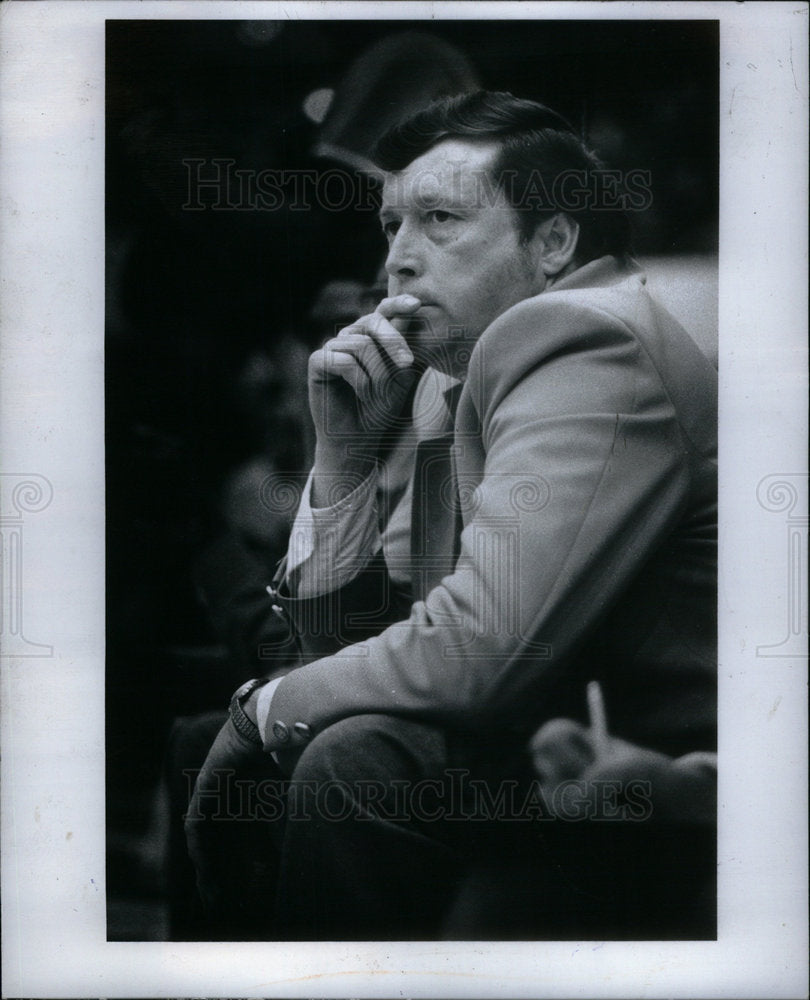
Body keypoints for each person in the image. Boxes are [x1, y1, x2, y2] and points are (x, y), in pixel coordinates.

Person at [185, 91, 717, 940]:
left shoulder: (582, 336)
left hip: (678, 780)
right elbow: (350, 649)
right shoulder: (457, 368)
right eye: (390, 226)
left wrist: (264, 712)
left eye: (437, 220)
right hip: (556, 742)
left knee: (351, 761)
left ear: (553, 242)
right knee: (246, 743)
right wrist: (344, 462)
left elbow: (475, 651)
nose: (396, 261)